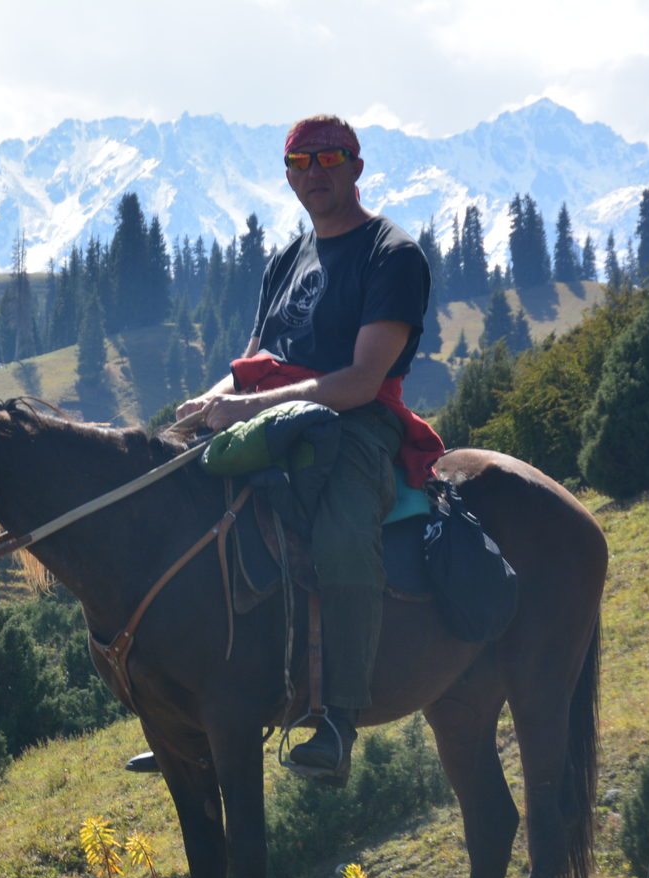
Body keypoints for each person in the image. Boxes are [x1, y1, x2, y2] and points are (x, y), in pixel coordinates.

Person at [125, 114, 437, 783]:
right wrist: (206, 406)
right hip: (271, 414)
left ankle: (337, 718)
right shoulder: (288, 260)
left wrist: (247, 407)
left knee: (343, 533)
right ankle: (192, 715)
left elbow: (361, 381)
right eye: (298, 162)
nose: (311, 175)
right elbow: (250, 364)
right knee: (179, 510)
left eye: (328, 161)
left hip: (353, 423)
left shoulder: (391, 254)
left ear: (356, 167)